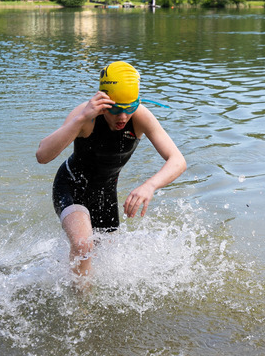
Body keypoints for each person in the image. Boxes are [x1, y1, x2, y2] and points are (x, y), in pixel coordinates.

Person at [36, 61, 186, 279]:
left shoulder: (141, 117)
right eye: (115, 110)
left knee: (107, 259)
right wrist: (79, 120)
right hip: (71, 186)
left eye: (129, 109)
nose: (123, 117)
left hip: (106, 193)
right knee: (83, 244)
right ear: (103, 102)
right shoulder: (85, 116)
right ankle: (81, 309)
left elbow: (178, 160)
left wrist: (150, 185)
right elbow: (42, 155)